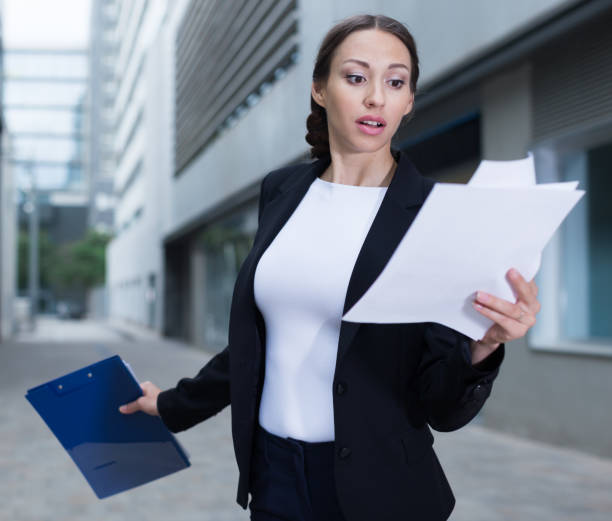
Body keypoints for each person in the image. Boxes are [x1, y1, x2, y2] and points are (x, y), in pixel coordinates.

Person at [120, 13, 541, 521]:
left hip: (380, 493)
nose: (376, 98)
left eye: (395, 82)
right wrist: (170, 405)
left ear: (409, 101)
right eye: (356, 77)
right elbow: (258, 344)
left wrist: (484, 345)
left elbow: (442, 408)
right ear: (320, 89)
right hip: (274, 480)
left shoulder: (435, 216)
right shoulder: (282, 191)